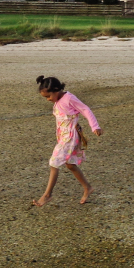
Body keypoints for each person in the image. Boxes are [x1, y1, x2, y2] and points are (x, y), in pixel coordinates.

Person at [32, 75, 102, 207]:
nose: (48, 100)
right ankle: (87, 187)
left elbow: (85, 109)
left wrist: (95, 126)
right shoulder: (58, 100)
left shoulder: (69, 98)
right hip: (63, 137)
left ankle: (47, 195)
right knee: (70, 164)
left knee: (54, 162)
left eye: (48, 96)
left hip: (70, 138)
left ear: (56, 90)